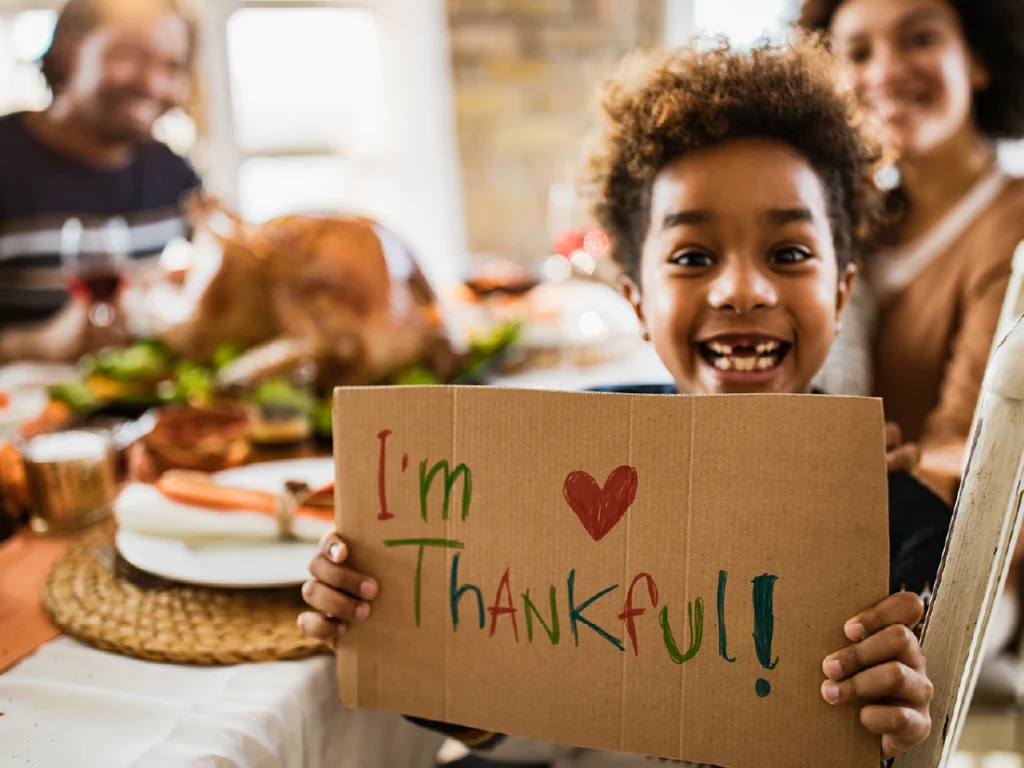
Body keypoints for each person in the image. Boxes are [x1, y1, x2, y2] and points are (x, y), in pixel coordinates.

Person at [298, 38, 948, 767]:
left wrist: (906, 703)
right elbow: (540, 723)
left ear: (840, 291)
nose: (743, 289)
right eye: (693, 257)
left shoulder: (908, 531)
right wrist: (427, 652)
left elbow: (917, 721)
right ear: (636, 302)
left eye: (789, 253)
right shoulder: (557, 464)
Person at [799, 0, 1024, 504]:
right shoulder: (854, 223)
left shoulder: (1014, 226)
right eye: (857, 53)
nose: (885, 73)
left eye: (920, 40)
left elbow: (973, 449)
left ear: (980, 59)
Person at [0, 0, 200, 361]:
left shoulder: (175, 174)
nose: (153, 83)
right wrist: (38, 344)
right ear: (70, 51)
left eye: (172, 66)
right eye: (131, 54)